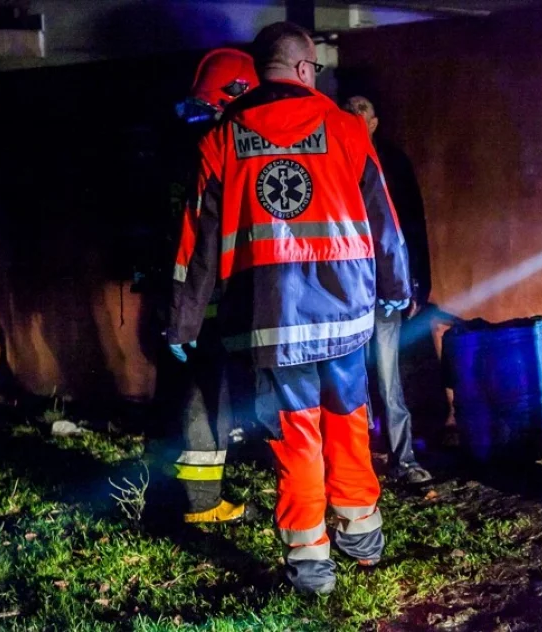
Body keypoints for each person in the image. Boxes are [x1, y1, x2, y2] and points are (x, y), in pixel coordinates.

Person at [166, 22, 411, 595]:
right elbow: (384, 220)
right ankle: (362, 537)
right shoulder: (347, 128)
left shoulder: (222, 140)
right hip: (347, 315)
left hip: (271, 322)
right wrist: (396, 283)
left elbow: (195, 244)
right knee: (349, 421)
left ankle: (311, 566)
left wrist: (181, 318)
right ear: (305, 70)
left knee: (296, 437)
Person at [146, 48, 259, 525]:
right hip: (199, 301)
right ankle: (202, 505)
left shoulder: (186, 146)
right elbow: (199, 241)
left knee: (188, 395)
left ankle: (180, 496)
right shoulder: (213, 150)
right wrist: (184, 318)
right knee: (201, 398)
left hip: (185, 299)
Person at [343, 95, 433, 484]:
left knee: (387, 377)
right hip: (347, 292)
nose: (353, 117)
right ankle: (359, 463)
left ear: (374, 122)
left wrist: (414, 283)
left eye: (361, 111)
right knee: (353, 381)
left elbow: (410, 226)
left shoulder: (391, 163)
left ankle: (403, 458)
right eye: (348, 110)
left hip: (383, 290)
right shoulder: (335, 160)